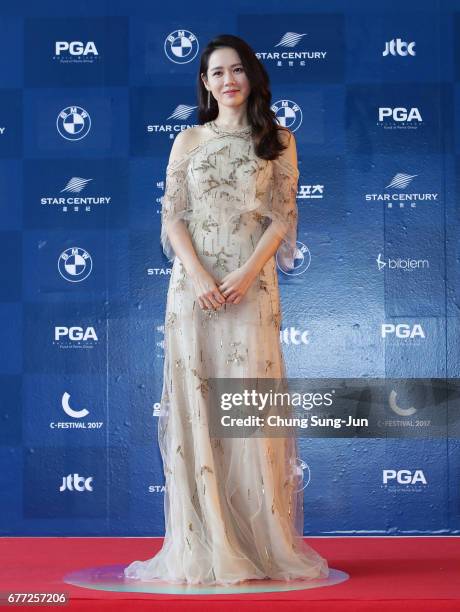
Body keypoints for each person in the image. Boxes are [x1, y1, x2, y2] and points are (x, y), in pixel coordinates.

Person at [124, 34, 329, 586]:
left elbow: (282, 219)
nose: (227, 80)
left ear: (252, 77)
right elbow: (172, 217)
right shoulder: (187, 139)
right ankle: (206, 545)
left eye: (236, 70)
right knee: (197, 409)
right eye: (216, 73)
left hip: (250, 289)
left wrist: (242, 275)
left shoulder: (278, 140)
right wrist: (199, 275)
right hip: (193, 292)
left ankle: (260, 547)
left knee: (248, 415)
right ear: (205, 84)